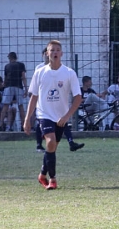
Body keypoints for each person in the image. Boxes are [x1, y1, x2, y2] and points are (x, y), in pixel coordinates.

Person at [23, 40, 82, 190]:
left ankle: (42, 174)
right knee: (50, 142)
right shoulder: (40, 72)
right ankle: (53, 179)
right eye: (52, 50)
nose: (55, 52)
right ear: (47, 53)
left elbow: (78, 97)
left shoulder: (69, 73)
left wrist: (67, 116)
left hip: (61, 116)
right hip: (44, 114)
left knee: (52, 147)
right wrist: (27, 119)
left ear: (61, 53)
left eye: (57, 50)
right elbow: (34, 97)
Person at [32, 46, 84, 151]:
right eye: (47, 54)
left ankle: (71, 142)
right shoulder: (40, 69)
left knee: (63, 120)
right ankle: (39, 145)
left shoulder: (62, 70)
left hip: (56, 101)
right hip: (44, 101)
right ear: (44, 55)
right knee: (41, 121)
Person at [2, 52, 28, 132]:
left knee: (5, 106)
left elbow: (5, 79)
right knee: (20, 106)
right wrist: (26, 88)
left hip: (9, 86)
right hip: (18, 86)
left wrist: (3, 87)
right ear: (16, 57)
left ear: (9, 58)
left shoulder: (7, 66)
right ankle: (24, 125)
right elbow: (23, 77)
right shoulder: (21, 65)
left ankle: (0, 125)